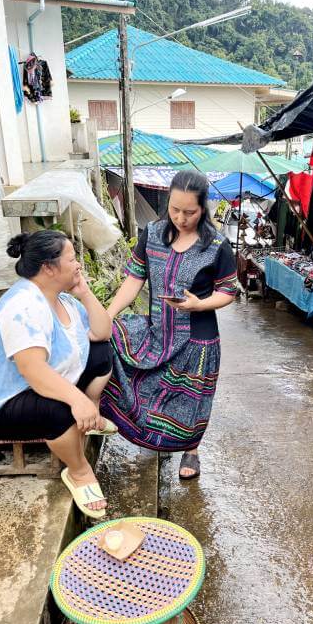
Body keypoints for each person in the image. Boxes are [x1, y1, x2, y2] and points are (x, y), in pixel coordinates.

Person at [0, 230, 116, 519]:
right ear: (48, 267)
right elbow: (33, 372)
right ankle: (79, 472)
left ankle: (90, 415)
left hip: (36, 386)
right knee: (58, 408)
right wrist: (76, 400)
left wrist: (84, 292)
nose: (78, 264)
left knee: (101, 353)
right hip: (2, 406)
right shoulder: (22, 307)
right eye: (71, 259)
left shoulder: (61, 298)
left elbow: (101, 331)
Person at [104, 170, 237, 479]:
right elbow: (134, 280)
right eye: (175, 209)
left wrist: (199, 304)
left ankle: (191, 451)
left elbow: (228, 291)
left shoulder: (216, 245)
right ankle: (146, 432)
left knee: (192, 400)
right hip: (158, 331)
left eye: (189, 211)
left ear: (203, 208)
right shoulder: (151, 234)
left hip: (198, 337)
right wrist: (108, 314)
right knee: (121, 353)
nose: (181, 217)